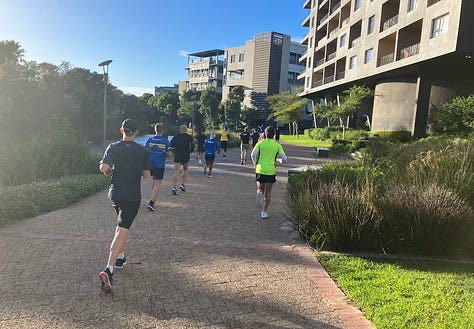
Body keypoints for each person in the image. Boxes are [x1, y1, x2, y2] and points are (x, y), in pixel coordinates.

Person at [98, 119, 150, 293]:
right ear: (136, 133)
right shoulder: (142, 151)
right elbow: (146, 175)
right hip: (132, 196)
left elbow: (104, 167)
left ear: (122, 130)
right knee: (122, 228)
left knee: (122, 225)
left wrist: (110, 171)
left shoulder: (113, 147)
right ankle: (108, 268)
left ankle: (121, 257)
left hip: (115, 194)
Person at [251, 126, 287, 219]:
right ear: (274, 134)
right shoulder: (277, 145)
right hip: (271, 170)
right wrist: (278, 160)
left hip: (260, 169)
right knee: (268, 192)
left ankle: (259, 193)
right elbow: (284, 158)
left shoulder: (260, 143)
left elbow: (253, 154)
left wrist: (255, 163)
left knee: (260, 189)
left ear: (265, 134)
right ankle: (264, 212)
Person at [144, 123, 172, 211]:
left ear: (155, 130)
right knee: (158, 184)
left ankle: (153, 198)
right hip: (160, 165)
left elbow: (145, 150)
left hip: (151, 164)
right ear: (163, 131)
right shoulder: (165, 141)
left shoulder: (150, 139)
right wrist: (166, 153)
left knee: (154, 181)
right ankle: (151, 202)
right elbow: (170, 154)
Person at [170, 124, 194, 195]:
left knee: (176, 171)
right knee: (185, 170)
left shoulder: (176, 136)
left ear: (180, 129)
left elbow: (171, 145)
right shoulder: (189, 137)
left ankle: (174, 186)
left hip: (178, 155)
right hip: (186, 155)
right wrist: (190, 151)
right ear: (186, 130)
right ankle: (183, 184)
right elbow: (192, 146)